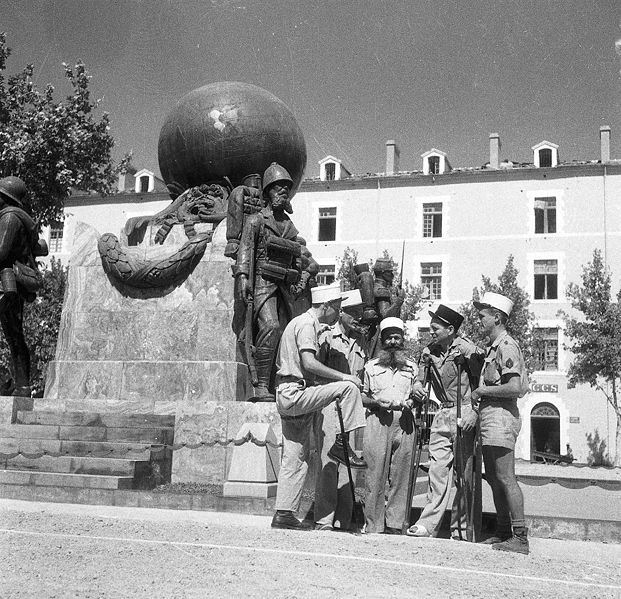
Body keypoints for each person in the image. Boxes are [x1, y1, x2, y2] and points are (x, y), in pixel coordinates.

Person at [271, 283, 367, 530]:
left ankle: (284, 513)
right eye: (337, 308)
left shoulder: (305, 323)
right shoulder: (306, 324)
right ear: (326, 306)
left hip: (288, 393)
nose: (338, 313)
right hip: (295, 392)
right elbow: (310, 363)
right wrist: (345, 376)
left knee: (296, 456)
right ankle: (341, 443)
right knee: (349, 388)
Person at [406, 304, 483, 539]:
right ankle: (428, 525)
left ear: (450, 329)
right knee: (437, 470)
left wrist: (475, 412)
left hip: (466, 410)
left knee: (465, 473)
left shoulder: (469, 351)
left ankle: (462, 527)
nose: (431, 332)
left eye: (435, 328)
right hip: (442, 413)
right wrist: (417, 387)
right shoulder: (428, 352)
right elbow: (419, 379)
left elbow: (484, 382)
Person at [236, 163, 309, 400]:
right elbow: (246, 248)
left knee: (290, 332)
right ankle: (261, 385)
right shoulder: (257, 220)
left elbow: (296, 256)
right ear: (268, 192)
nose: (283, 193)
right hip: (263, 283)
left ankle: (282, 381)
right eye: (278, 189)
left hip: (286, 285)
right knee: (271, 326)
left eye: (286, 189)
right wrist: (243, 277)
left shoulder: (290, 226)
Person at [471, 291, 529, 554]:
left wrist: (482, 391)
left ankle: (520, 536)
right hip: (490, 416)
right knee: (494, 477)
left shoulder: (506, 345)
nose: (479, 320)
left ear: (496, 317)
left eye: (482, 316)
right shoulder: (492, 348)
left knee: (506, 477)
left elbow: (515, 387)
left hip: (502, 417)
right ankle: (504, 532)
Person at [314, 289, 368, 531]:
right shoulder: (326, 336)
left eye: (360, 313)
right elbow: (316, 370)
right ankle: (324, 519)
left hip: (351, 410)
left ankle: (343, 520)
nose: (358, 318)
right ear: (342, 313)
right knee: (328, 463)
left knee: (349, 465)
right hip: (329, 406)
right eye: (354, 313)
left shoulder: (361, 342)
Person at [362, 317, 417, 534]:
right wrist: (376, 402)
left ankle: (395, 525)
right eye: (389, 338)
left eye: (397, 337)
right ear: (383, 341)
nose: (393, 342)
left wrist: (414, 400)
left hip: (404, 422)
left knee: (401, 474)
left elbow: (417, 394)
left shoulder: (412, 367)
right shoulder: (370, 367)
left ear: (403, 340)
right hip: (377, 420)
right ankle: (374, 525)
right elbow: (362, 396)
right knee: (375, 474)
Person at [0, 176, 42, 397]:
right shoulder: (19, 218)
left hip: (7, 284)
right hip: (14, 285)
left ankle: (20, 385)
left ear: (5, 198)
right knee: (14, 335)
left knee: (14, 335)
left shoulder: (9, 218)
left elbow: (2, 252)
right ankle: (22, 386)